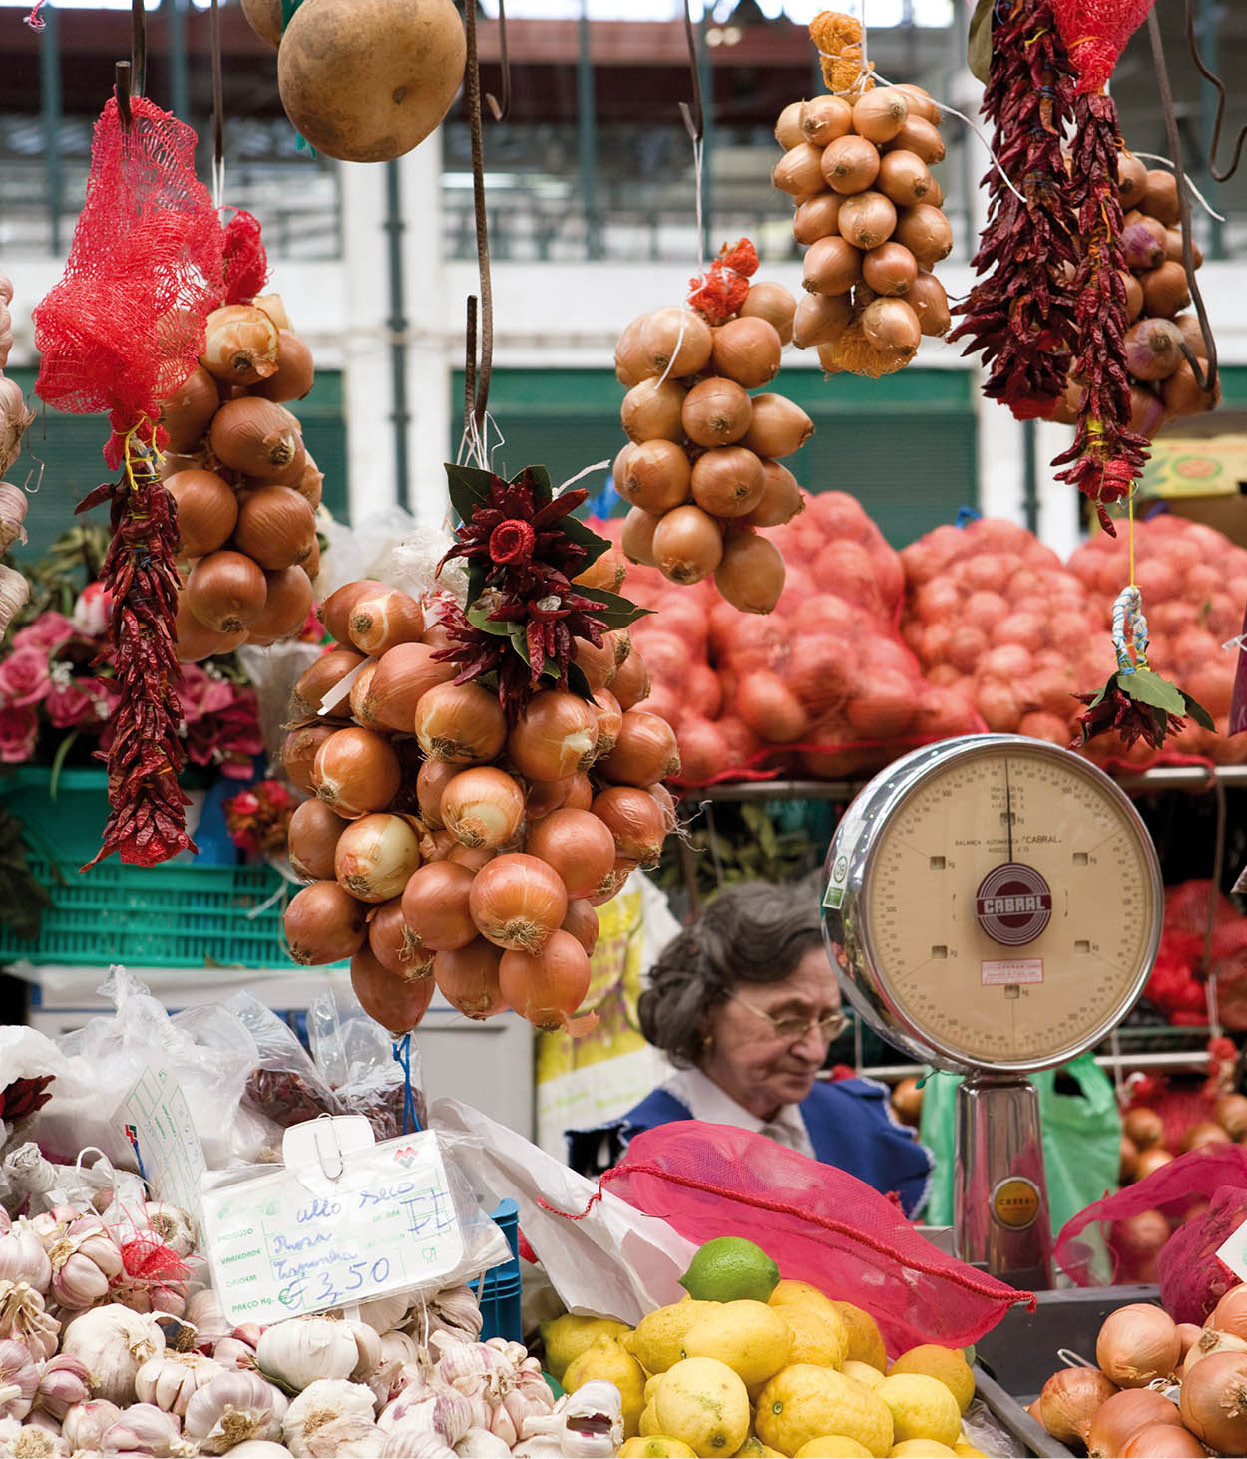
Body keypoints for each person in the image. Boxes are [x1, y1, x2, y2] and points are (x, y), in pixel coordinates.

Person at [565, 881, 934, 1216]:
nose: (815, 1052)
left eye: (828, 1021)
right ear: (706, 1009)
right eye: (788, 1019)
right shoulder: (642, 1155)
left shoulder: (858, 1124)